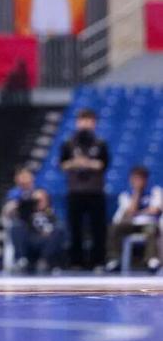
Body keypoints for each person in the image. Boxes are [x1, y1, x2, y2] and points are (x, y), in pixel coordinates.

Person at [60, 108, 110, 269]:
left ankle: (98, 261)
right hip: (75, 191)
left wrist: (87, 163)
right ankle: (76, 261)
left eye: (89, 121)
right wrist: (76, 163)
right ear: (77, 122)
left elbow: (103, 164)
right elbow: (63, 164)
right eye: (82, 120)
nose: (85, 124)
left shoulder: (100, 143)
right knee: (75, 228)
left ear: (94, 123)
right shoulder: (68, 143)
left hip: (95, 191)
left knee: (98, 228)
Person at [2, 174, 64, 273]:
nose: (39, 202)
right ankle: (21, 260)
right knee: (16, 226)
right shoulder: (27, 213)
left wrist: (48, 230)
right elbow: (8, 214)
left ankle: (45, 261)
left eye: (41, 200)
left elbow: (55, 226)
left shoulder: (50, 213)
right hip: (30, 240)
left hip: (46, 242)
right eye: (36, 200)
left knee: (59, 230)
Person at [106, 166, 162, 274]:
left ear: (146, 179)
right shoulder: (125, 194)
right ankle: (114, 260)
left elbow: (155, 210)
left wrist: (139, 212)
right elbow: (131, 211)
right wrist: (137, 192)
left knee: (151, 230)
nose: (137, 181)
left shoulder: (155, 191)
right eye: (135, 178)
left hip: (148, 223)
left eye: (140, 178)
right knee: (114, 228)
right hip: (131, 224)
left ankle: (152, 261)